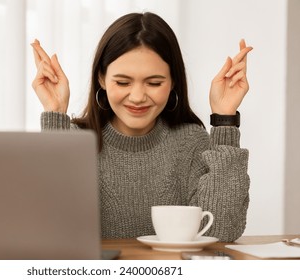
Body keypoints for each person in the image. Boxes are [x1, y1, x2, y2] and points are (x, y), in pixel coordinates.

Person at [30, 12, 252, 242]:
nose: (137, 97)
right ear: (101, 79)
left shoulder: (191, 142)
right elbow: (48, 230)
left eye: (154, 83)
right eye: (123, 82)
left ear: (173, 81)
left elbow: (221, 231)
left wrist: (225, 119)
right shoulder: (75, 143)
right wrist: (55, 115)